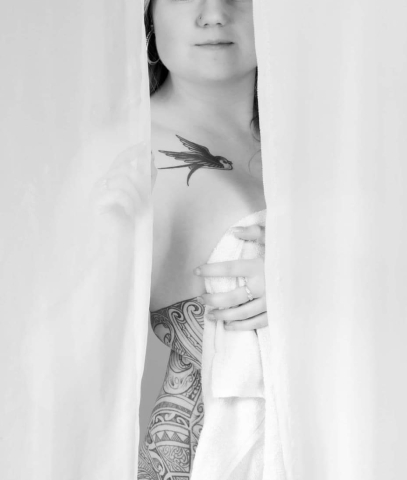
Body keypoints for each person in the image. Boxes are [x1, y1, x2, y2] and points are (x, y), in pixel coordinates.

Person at [138, 1, 268, 478]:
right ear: (148, 14)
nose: (213, 13)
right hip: (214, 454)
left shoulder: (324, 141)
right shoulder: (124, 150)